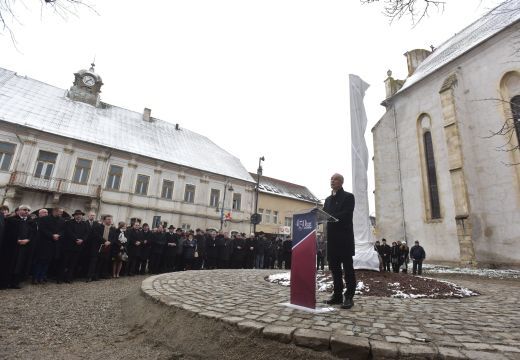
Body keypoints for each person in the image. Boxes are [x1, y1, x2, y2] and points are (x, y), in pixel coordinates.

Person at [323, 173, 356, 309]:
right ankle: (337, 295)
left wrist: (330, 216)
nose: (332, 181)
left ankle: (349, 297)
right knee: (335, 269)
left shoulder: (348, 197)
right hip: (332, 240)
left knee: (348, 269)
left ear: (341, 182)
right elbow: (324, 215)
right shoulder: (327, 200)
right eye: (331, 179)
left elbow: (346, 214)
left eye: (335, 179)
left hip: (345, 240)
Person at [0, 205, 37, 289]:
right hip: (11, 247)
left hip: (24, 248)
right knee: (8, 265)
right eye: (24, 209)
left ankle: (15, 283)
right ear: (19, 210)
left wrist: (28, 240)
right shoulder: (10, 220)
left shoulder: (31, 222)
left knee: (19, 265)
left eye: (28, 210)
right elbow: (6, 233)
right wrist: (16, 240)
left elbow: (33, 234)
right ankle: (4, 283)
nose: (26, 211)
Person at [86, 214, 117, 282]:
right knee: (93, 262)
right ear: (104, 220)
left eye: (110, 219)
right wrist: (104, 241)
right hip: (97, 247)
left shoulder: (113, 229)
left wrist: (110, 242)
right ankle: (90, 276)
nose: (110, 221)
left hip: (106, 248)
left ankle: (96, 276)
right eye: (108, 219)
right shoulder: (98, 227)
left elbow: (114, 238)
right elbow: (96, 235)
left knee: (101, 261)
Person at [61, 210, 89, 283]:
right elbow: (69, 232)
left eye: (80, 214)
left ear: (82, 216)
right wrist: (76, 239)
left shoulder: (84, 224)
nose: (79, 216)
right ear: (74, 216)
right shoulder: (69, 222)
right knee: (65, 262)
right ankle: (60, 278)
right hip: (69, 246)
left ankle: (69, 278)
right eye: (77, 214)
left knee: (73, 263)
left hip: (78, 247)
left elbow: (86, 233)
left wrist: (82, 240)